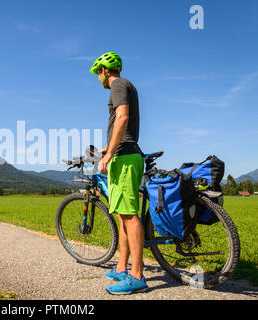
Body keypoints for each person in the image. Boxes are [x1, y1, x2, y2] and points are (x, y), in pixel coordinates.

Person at [90, 52, 148, 295]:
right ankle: (122, 267)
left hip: (124, 157)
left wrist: (109, 153)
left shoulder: (118, 85)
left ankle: (137, 275)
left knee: (129, 215)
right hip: (123, 153)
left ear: (104, 71)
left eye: (98, 74)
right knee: (123, 215)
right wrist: (108, 146)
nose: (99, 79)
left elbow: (122, 117)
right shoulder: (124, 86)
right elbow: (121, 122)